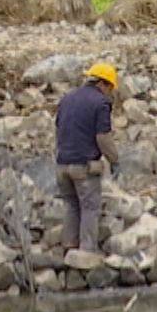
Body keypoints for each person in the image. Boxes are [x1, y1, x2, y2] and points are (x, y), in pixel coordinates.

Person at [54, 62, 120, 251]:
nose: (110, 93)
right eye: (110, 88)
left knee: (71, 206)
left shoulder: (67, 98)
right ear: (103, 84)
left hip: (61, 165)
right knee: (90, 208)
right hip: (83, 167)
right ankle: (86, 253)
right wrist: (115, 160)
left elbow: (58, 128)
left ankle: (68, 248)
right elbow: (103, 138)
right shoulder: (100, 103)